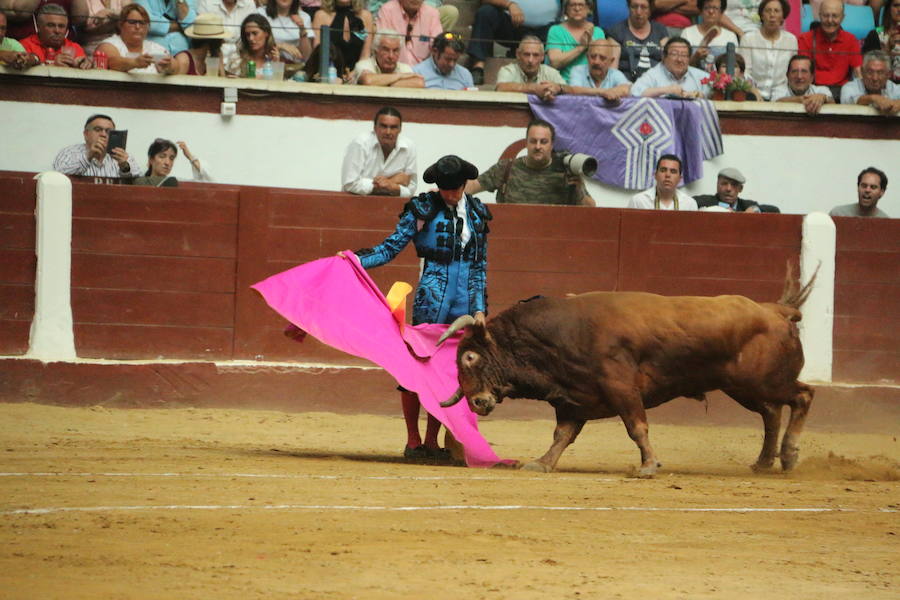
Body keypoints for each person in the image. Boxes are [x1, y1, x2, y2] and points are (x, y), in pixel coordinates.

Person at [350, 155, 489, 462]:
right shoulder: (422, 209)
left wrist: (479, 309)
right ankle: (413, 440)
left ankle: (433, 440)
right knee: (416, 369)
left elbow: (479, 267)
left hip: (464, 302)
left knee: (452, 374)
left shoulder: (478, 214)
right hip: (433, 298)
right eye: (445, 188)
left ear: (465, 185)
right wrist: (355, 261)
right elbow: (390, 248)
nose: (450, 194)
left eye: (455, 189)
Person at [465, 119, 595, 206]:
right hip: (512, 234)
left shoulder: (565, 172)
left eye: (543, 142)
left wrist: (579, 188)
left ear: (552, 145)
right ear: (526, 143)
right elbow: (472, 187)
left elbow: (591, 210)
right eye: (533, 141)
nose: (538, 146)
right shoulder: (506, 168)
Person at [465, 0, 562, 85]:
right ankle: (478, 68)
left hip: (547, 29)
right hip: (512, 25)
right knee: (485, 12)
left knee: (562, 28)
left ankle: (553, 76)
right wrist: (510, 4)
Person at [341, 106, 417, 197]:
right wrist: (392, 183)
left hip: (392, 207)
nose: (388, 132)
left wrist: (388, 184)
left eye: (393, 127)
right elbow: (349, 183)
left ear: (400, 129)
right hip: (356, 205)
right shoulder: (360, 144)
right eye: (383, 126)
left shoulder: (409, 147)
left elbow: (411, 189)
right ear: (375, 127)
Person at [798, 0, 863, 94]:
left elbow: (858, 72)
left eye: (835, 16)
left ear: (842, 18)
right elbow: (804, 72)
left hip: (842, 92)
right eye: (825, 15)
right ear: (819, 16)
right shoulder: (805, 39)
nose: (830, 20)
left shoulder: (851, 40)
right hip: (813, 90)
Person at [52, 113, 141, 178]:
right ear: (86, 134)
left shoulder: (123, 156)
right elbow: (58, 177)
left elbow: (137, 181)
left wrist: (124, 167)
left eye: (108, 131)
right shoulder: (69, 153)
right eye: (98, 129)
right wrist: (88, 157)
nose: (103, 134)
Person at [739, 0, 796, 100]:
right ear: (761, 15)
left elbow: (792, 72)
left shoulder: (791, 40)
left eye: (777, 11)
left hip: (782, 96)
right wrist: (752, 90)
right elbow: (744, 72)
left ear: (783, 16)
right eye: (768, 11)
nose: (772, 15)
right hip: (753, 94)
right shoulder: (748, 39)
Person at [96, 3, 176, 74]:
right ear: (120, 25)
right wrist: (134, 62)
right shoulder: (109, 45)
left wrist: (169, 66)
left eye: (142, 23)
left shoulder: (156, 48)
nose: (137, 27)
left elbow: (176, 67)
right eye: (132, 22)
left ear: (148, 27)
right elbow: (112, 63)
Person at [605, 0, 669, 81]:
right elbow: (612, 72)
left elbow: (667, 65)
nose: (638, 12)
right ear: (628, 7)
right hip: (625, 85)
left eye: (643, 7)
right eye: (634, 6)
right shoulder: (616, 31)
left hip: (656, 85)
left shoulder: (660, 30)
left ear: (650, 9)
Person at [546, 0, 607, 82]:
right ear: (566, 9)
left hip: (591, 85)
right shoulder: (556, 30)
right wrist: (581, 47)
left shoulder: (598, 32)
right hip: (562, 84)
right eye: (572, 5)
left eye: (581, 5)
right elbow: (555, 63)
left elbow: (603, 65)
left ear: (589, 8)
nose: (577, 8)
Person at [17, 3, 92, 69]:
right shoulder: (24, 46)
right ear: (38, 27)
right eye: (51, 25)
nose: (57, 31)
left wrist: (85, 65)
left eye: (61, 26)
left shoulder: (75, 48)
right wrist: (53, 65)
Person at [630, 36, 710, 96]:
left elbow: (717, 88)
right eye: (674, 54)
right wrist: (666, 90)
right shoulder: (653, 74)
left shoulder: (699, 76)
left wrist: (700, 95)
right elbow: (635, 92)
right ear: (664, 57)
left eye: (684, 55)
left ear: (689, 58)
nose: (679, 59)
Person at [495, 35, 568, 100]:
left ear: (542, 56)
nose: (530, 60)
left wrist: (558, 88)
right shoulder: (508, 70)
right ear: (518, 54)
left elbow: (568, 90)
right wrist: (534, 89)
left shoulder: (551, 73)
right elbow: (501, 88)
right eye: (526, 54)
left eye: (535, 55)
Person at [310, 0, 373, 71]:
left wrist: (356, 73)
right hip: (328, 72)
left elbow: (365, 55)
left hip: (357, 74)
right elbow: (318, 54)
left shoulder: (366, 16)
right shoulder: (321, 15)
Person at [375, 0, 442, 66]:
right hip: (394, 69)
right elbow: (383, 44)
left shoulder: (432, 14)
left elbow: (437, 45)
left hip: (422, 72)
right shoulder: (387, 11)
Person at [352, 28, 425, 86]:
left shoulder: (405, 68)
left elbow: (419, 83)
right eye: (386, 50)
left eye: (395, 50)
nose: (391, 56)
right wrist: (400, 76)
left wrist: (380, 82)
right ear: (376, 50)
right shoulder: (363, 65)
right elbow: (367, 81)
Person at [627, 154, 698, 210]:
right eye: (663, 170)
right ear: (655, 175)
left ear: (680, 178)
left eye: (673, 171)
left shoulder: (690, 204)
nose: (667, 175)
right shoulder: (638, 201)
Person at [197, 0, 256, 66]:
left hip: (242, 57)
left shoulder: (249, 3)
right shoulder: (206, 2)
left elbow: (252, 33)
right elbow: (202, 34)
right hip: (212, 57)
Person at [682, 0, 739, 69]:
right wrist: (695, 57)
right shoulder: (688, 33)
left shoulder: (730, 36)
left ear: (722, 12)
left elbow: (735, 66)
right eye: (706, 8)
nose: (711, 11)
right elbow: (681, 64)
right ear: (700, 11)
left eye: (715, 8)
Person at [567, 38, 632, 98]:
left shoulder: (615, 74)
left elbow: (627, 89)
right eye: (593, 56)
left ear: (611, 61)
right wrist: (603, 92)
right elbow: (573, 90)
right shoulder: (578, 71)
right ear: (587, 57)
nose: (596, 62)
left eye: (602, 58)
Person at [256, 0, 313, 64]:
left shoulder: (304, 17)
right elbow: (254, 45)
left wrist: (302, 28)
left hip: (294, 66)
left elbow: (306, 56)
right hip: (268, 64)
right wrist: (280, 46)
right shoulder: (260, 13)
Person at [694, 167, 761, 212]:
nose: (728, 189)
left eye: (734, 185)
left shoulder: (746, 206)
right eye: (724, 183)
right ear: (717, 185)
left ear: (740, 189)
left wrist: (755, 209)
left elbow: (770, 209)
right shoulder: (704, 202)